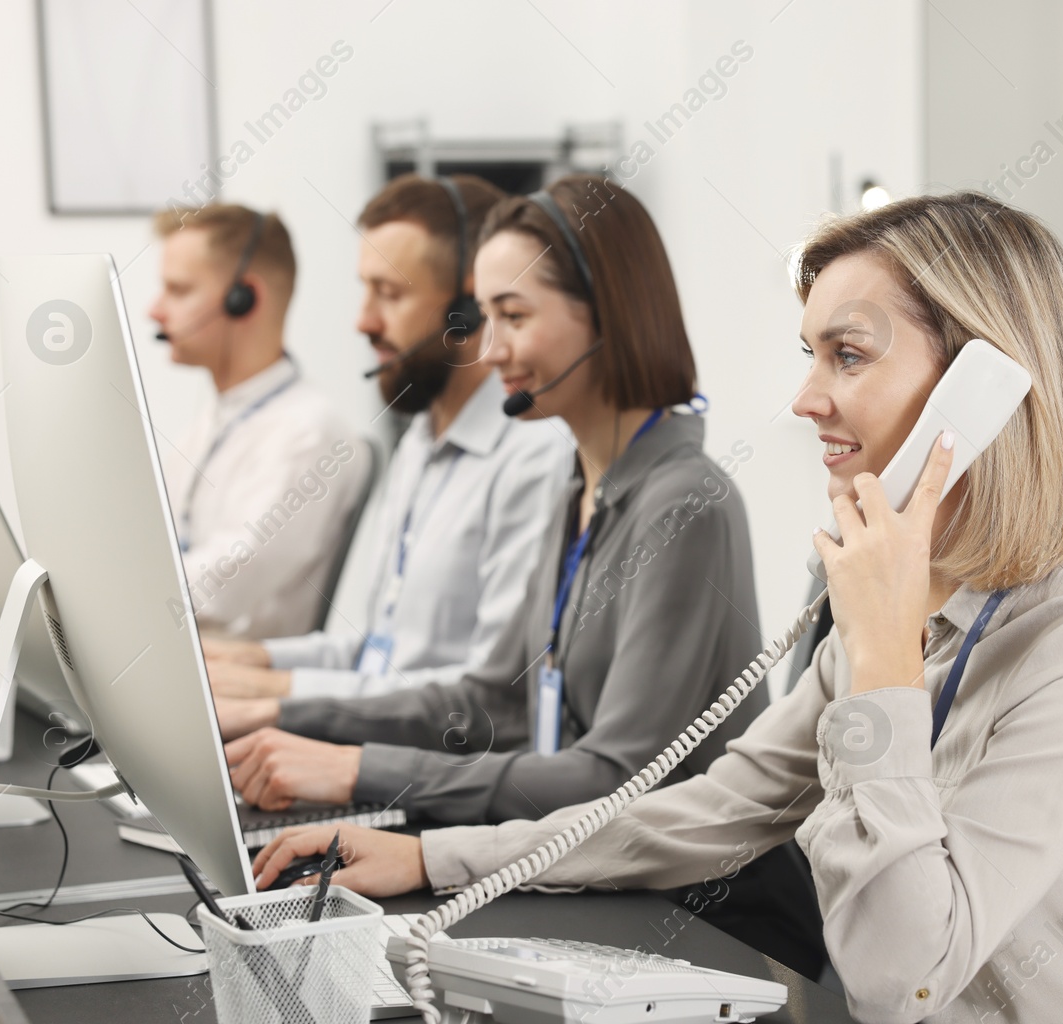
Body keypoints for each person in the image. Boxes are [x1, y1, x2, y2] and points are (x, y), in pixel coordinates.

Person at [252, 191, 1063, 1024]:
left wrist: (883, 655)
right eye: (810, 355)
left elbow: (896, 972)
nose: (806, 399)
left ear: (985, 390)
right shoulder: (904, 608)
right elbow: (719, 804)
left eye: (846, 354)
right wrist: (435, 856)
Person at [217, 174, 768, 822]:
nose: (489, 348)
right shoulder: (577, 487)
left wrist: (358, 768)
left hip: (689, 904)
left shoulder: (684, 504)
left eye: (514, 315)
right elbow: (498, 704)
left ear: (606, 312)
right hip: (577, 858)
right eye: (487, 315)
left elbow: (620, 778)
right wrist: (282, 716)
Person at [200, 175, 570, 700]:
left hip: (431, 766)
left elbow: (493, 697)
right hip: (375, 737)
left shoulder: (533, 457)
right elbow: (373, 651)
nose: (362, 321)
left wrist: (272, 694)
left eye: (389, 293)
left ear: (468, 311)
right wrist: (243, 661)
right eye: (365, 289)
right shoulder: (420, 438)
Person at [150, 204, 370, 640]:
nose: (155, 311)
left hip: (230, 686)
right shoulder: (217, 417)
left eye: (177, 291)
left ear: (243, 298)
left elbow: (223, 584)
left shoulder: (309, 433)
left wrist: (115, 594)